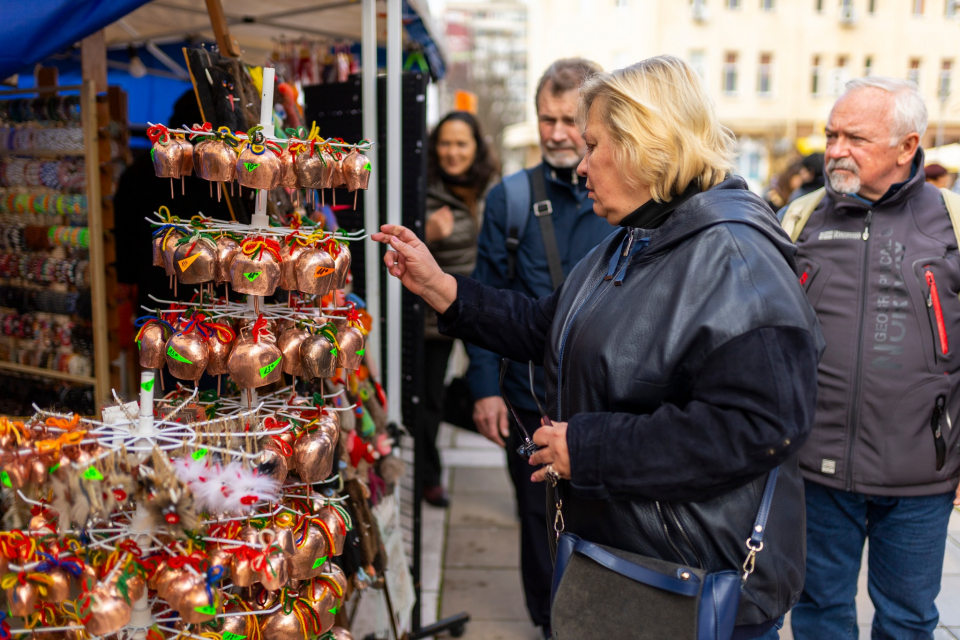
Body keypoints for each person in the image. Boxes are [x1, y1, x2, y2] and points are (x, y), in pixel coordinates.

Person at [375, 56, 822, 640]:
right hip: (633, 567)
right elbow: (550, 326)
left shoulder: (737, 258)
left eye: (592, 145)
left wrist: (589, 449)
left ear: (644, 146)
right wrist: (442, 288)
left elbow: (757, 427)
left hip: (700, 586)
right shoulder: (636, 238)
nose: (580, 165)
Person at [782, 77, 960, 640]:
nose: (834, 149)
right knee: (817, 612)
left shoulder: (952, 222)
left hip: (921, 474)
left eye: (854, 137)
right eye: (832, 134)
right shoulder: (798, 220)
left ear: (907, 146)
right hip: (814, 467)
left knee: (908, 620)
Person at [465, 57, 609, 637]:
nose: (554, 133)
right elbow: (485, 297)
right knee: (536, 524)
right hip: (528, 400)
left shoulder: (630, 197)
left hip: (607, 405)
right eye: (544, 119)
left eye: (567, 120)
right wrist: (483, 391)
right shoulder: (510, 198)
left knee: (603, 525)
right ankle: (549, 626)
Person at [421, 111, 499, 507]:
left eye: (461, 143)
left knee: (496, 382)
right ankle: (429, 477)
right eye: (445, 143)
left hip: (485, 306)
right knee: (429, 398)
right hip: (435, 316)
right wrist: (427, 233)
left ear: (476, 148)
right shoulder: (424, 188)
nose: (453, 152)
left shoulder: (492, 189)